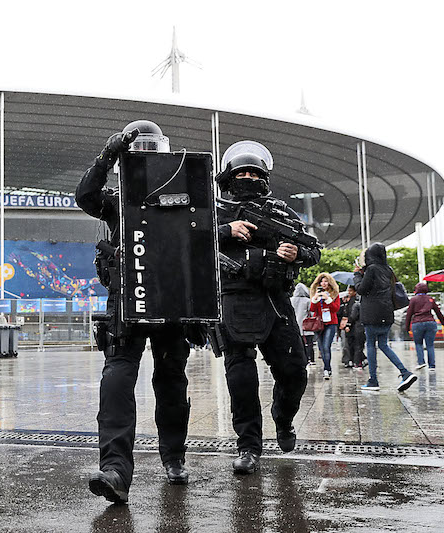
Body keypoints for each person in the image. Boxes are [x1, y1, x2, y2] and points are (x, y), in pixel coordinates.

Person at [76, 120, 199, 504]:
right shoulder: (116, 199)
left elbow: (204, 233)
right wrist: (105, 157)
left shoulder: (182, 194)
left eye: (150, 148)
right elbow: (85, 196)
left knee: (172, 381)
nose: (144, 155)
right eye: (137, 150)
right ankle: (115, 471)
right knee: (116, 379)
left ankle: (174, 457)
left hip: (171, 298)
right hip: (126, 300)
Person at [214, 140, 321, 475]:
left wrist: (297, 253)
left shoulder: (281, 212)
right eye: (241, 173)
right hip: (233, 301)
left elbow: (313, 250)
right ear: (229, 177)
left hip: (275, 301)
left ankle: (283, 418)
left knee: (294, 371)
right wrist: (226, 230)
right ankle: (248, 446)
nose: (248, 178)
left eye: (254, 174)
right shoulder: (214, 210)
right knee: (241, 380)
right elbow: (188, 242)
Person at [353, 243, 417, 392]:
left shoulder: (371, 269)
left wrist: (357, 275)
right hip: (387, 313)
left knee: (370, 345)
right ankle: (405, 372)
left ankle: (373, 381)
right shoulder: (388, 270)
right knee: (383, 344)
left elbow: (361, 289)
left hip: (372, 314)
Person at [405, 281, 444, 371]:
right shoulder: (430, 299)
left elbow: (409, 314)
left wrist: (407, 327)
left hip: (417, 323)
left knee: (418, 344)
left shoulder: (413, 300)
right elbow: (438, 313)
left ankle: (421, 362)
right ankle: (432, 366)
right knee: (430, 345)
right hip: (430, 323)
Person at [309, 273, 341, 380]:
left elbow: (336, 308)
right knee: (321, 347)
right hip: (319, 324)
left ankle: (327, 369)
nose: (324, 283)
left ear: (330, 283)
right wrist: (315, 298)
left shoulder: (335, 294)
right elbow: (312, 309)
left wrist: (327, 299)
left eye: (326, 281)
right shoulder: (316, 293)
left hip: (330, 323)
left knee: (326, 346)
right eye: (322, 281)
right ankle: (327, 367)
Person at [290, 283, 316, 365]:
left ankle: (299, 359)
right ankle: (310, 358)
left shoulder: (291, 300)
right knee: (309, 344)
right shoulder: (307, 301)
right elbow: (312, 313)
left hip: (294, 326)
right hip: (306, 327)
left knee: (297, 344)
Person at [342, 286, 366, 369]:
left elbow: (352, 315)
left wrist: (348, 324)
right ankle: (358, 361)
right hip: (359, 327)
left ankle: (357, 362)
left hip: (355, 327)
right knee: (356, 345)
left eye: (350, 291)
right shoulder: (354, 301)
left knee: (355, 345)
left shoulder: (355, 303)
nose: (349, 292)